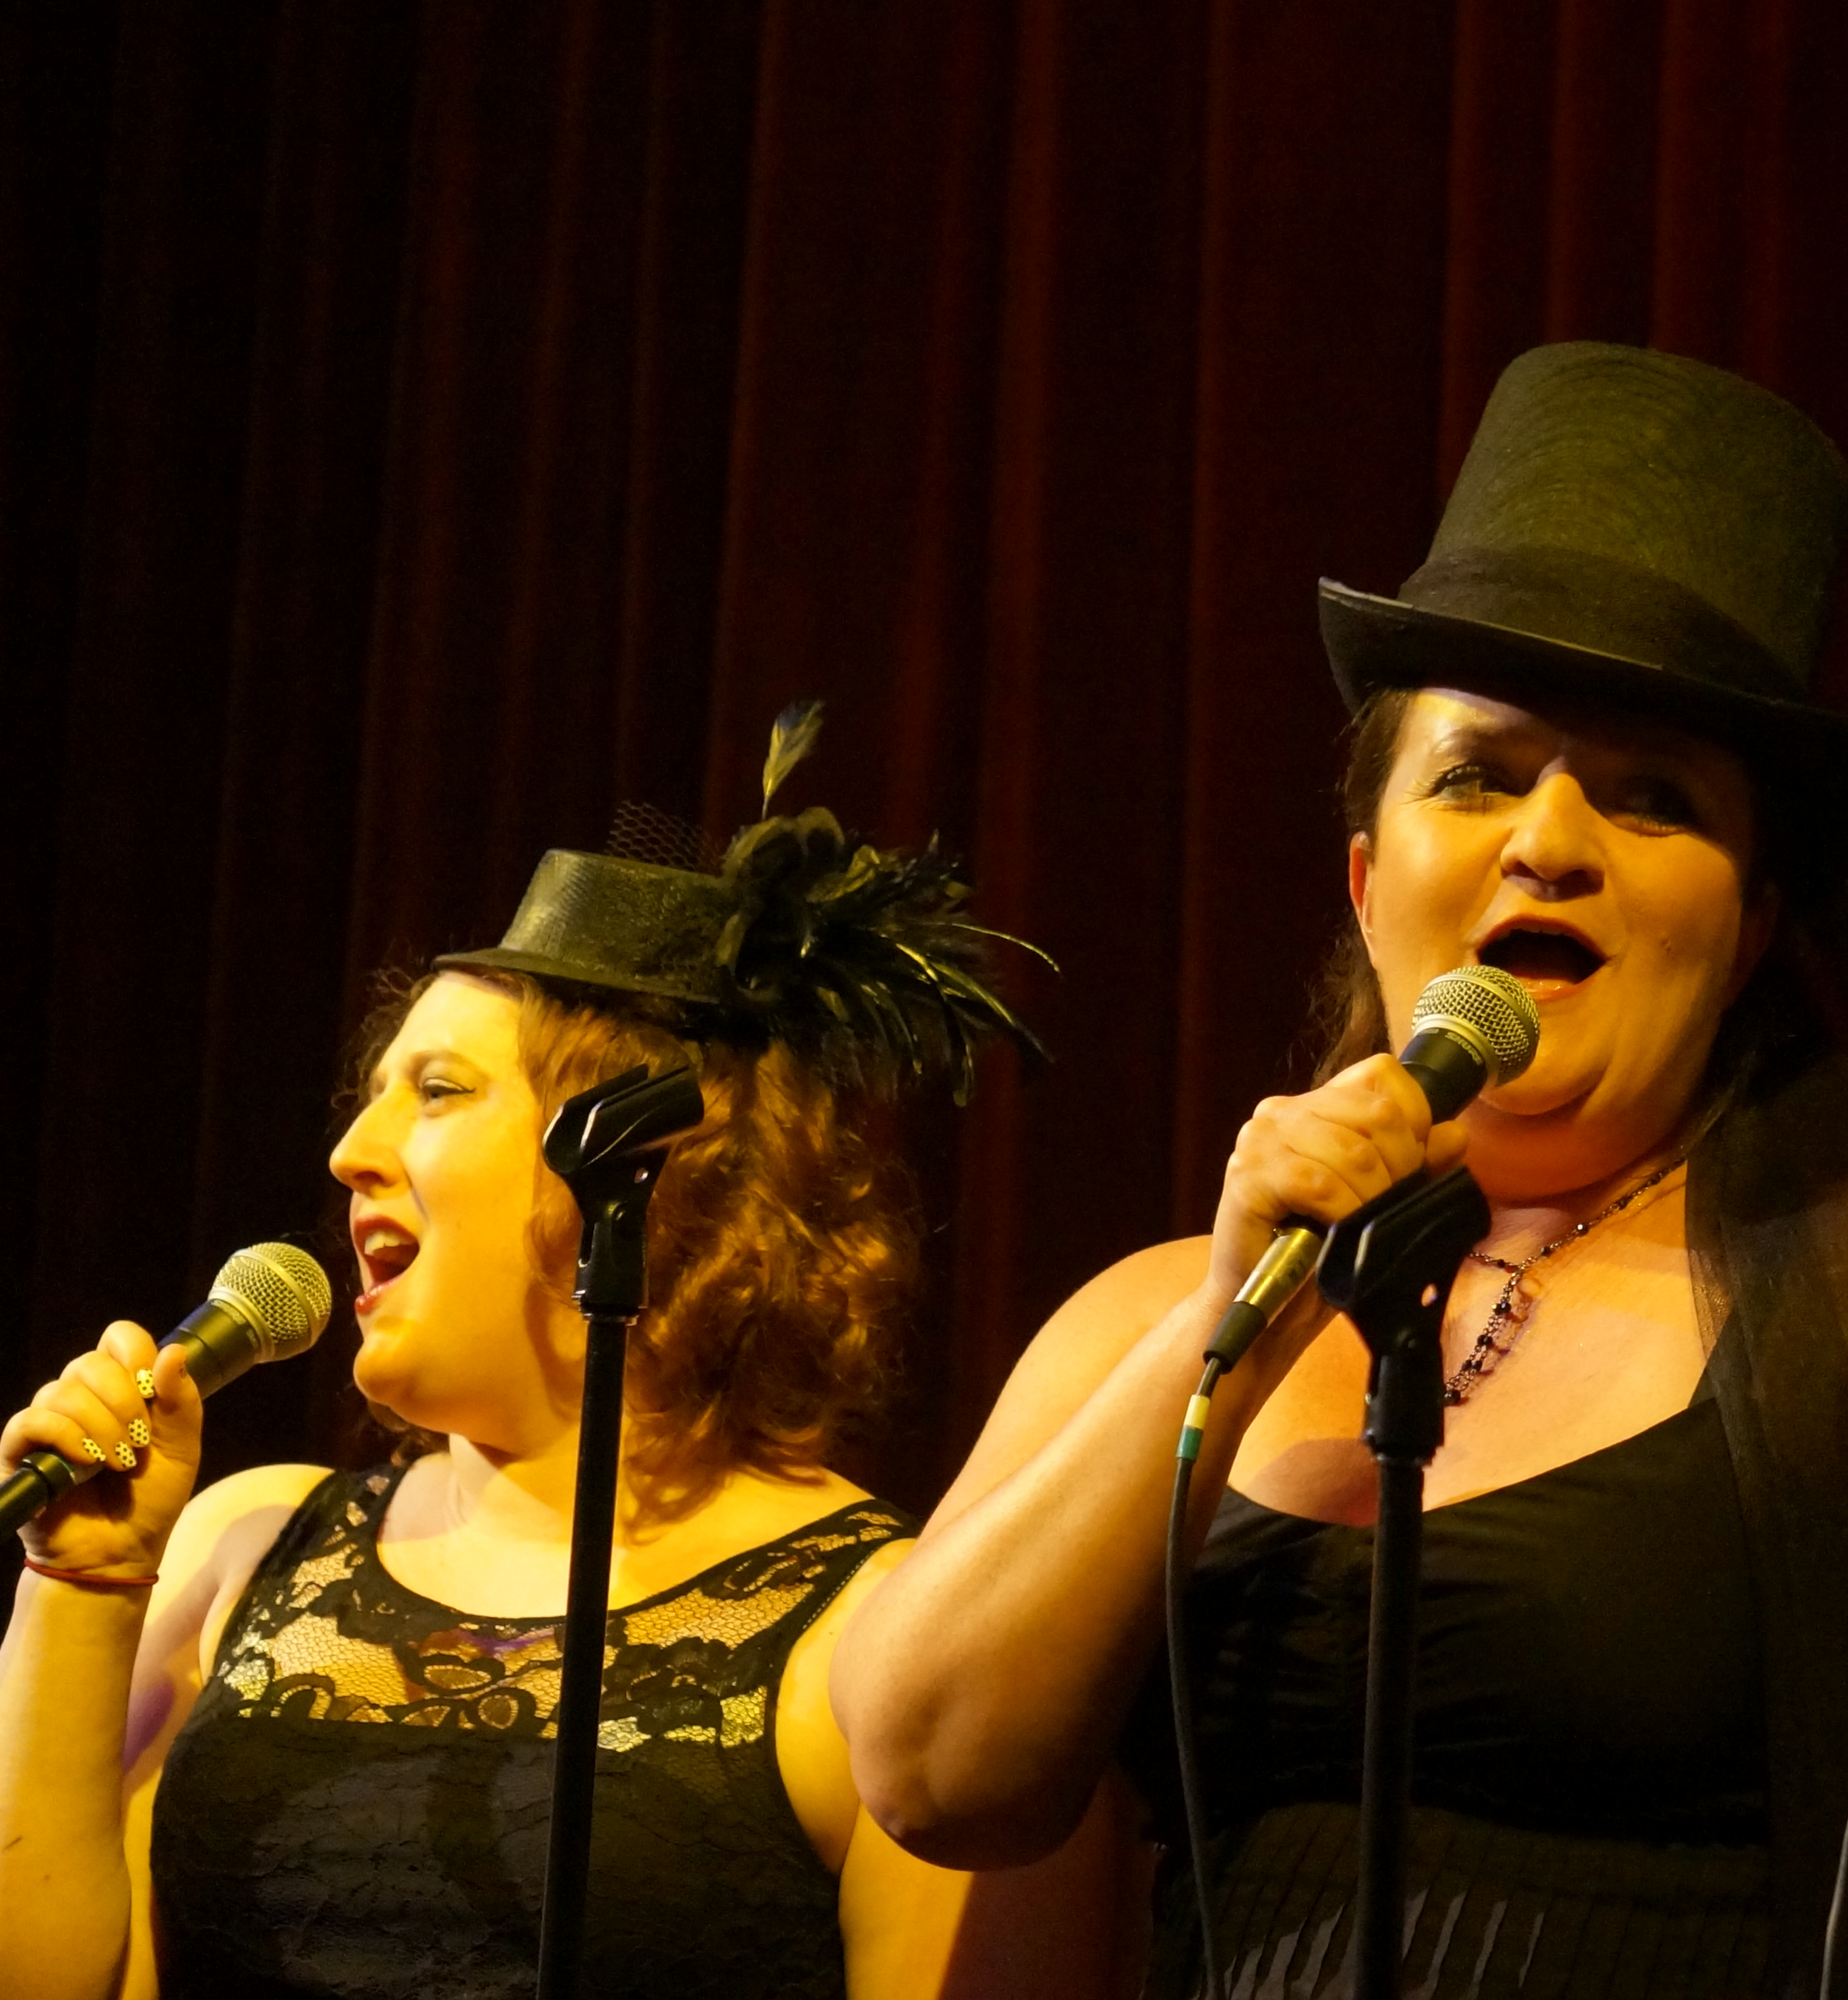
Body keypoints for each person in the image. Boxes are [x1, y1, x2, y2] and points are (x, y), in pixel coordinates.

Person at [833, 342, 1848, 1998]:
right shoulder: (1158, 1314)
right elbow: (933, 1772)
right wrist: (1242, 1317)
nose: (1549, 840)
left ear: (1747, 937)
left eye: (1651, 799)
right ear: (1368, 883)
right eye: (1479, 776)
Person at [0, 735, 1116, 2000]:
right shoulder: (238, 1546)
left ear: (640, 1162)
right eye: (374, 1094)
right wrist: (81, 1585)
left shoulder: (879, 1642)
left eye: (437, 1091)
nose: (353, 1151)